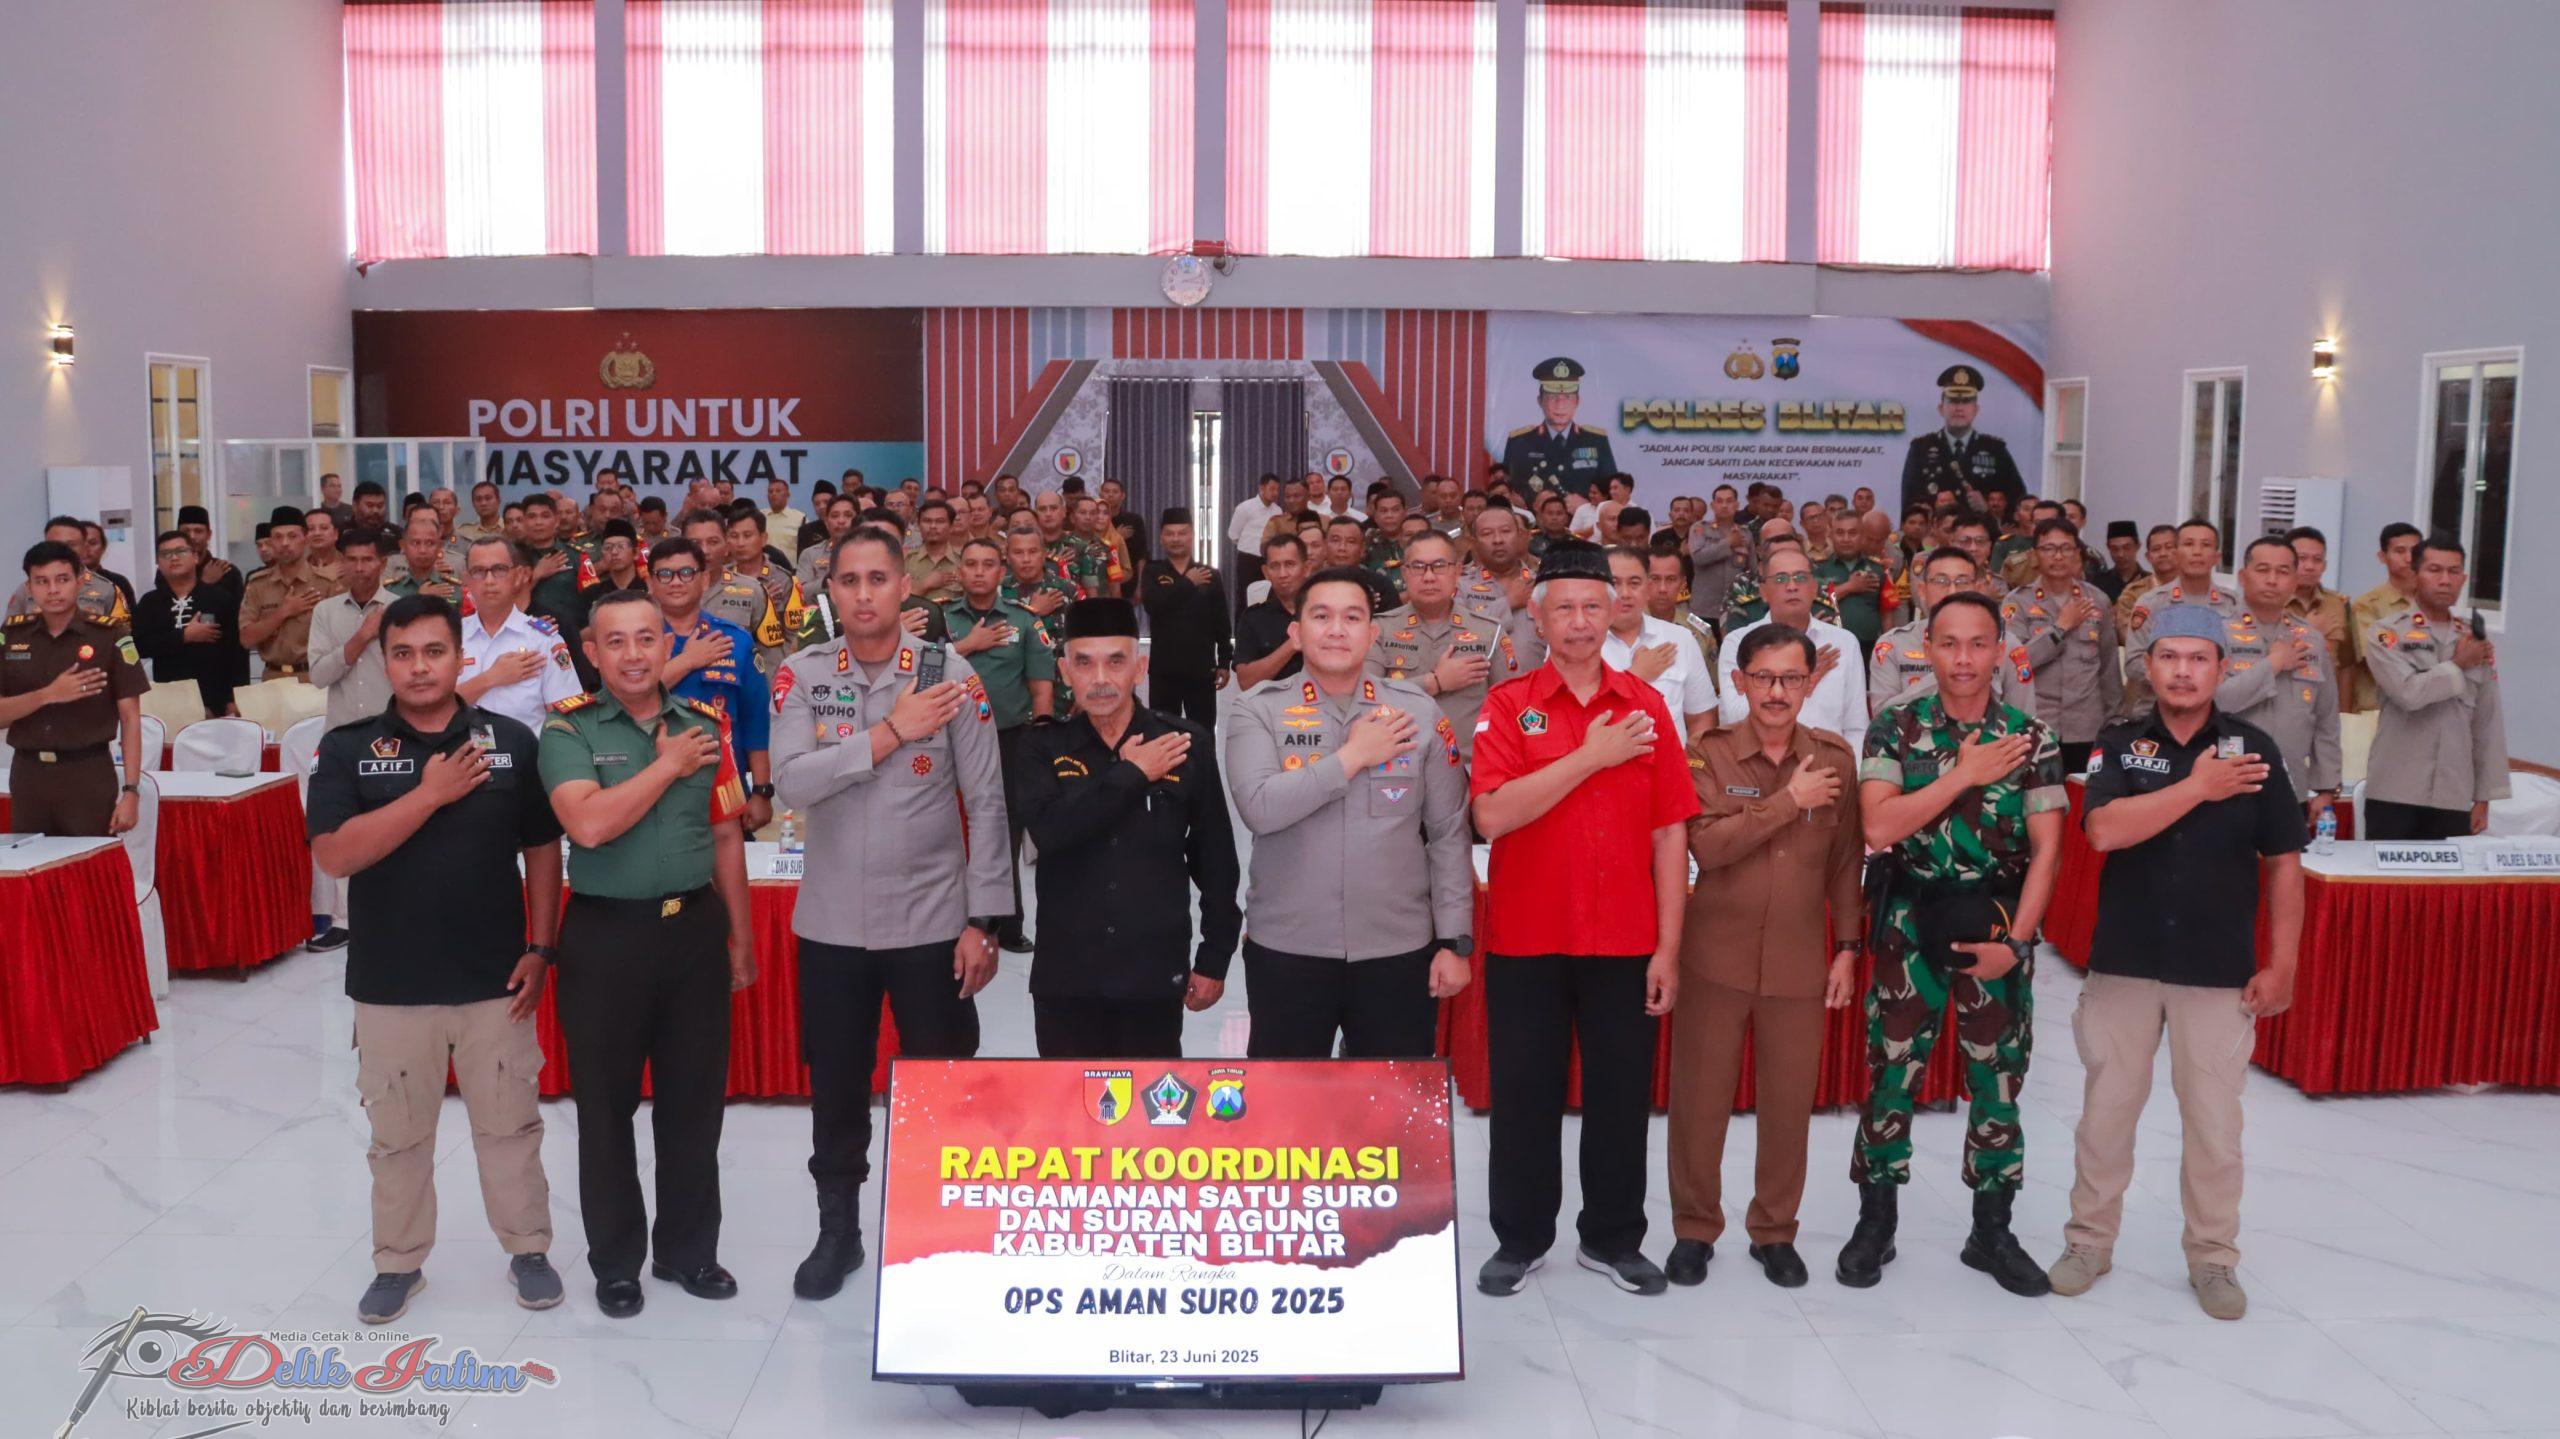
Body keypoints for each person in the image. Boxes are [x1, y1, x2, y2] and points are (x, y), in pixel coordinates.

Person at [304, 594, 566, 1324]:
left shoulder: (510, 740)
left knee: (510, 1126)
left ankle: (528, 1248)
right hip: (391, 983)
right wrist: (428, 796)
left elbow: (542, 848)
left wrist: (542, 946)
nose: (419, 667)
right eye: (403, 653)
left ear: (459, 657)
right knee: (398, 1137)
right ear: (385, 661)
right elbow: (335, 854)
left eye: (434, 651)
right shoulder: (348, 747)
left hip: (495, 979)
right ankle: (398, 1262)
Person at [769, 527, 1010, 1301]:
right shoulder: (804, 673)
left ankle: (942, 1231)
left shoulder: (950, 674)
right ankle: (837, 1232)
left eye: (879, 578)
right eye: (849, 580)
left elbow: (987, 801)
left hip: (932, 922)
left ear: (906, 587)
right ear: (831, 591)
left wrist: (985, 921)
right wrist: (888, 733)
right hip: (833, 924)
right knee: (838, 1088)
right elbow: (793, 783)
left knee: (941, 1081)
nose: (864, 593)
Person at [2056, 604, 2307, 1321]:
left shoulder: (2255, 751)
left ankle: (2213, 1257)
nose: (2184, 671)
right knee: (2105, 1117)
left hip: (2217, 967)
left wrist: (2282, 963)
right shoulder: (2119, 743)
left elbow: (2284, 864)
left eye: (2199, 658)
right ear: (2149, 666)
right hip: (2125, 962)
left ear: (2223, 668)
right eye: (2170, 657)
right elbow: (2104, 831)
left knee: (2215, 1128)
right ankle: (2088, 1243)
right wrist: (2197, 786)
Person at [1468, 541, 1697, 1299]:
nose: (1578, 621)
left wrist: (1668, 947)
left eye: (1592, 606)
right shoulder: (1509, 704)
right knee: (1523, 1095)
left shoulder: (1645, 706)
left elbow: (1670, 832)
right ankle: (1521, 1237)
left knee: (1621, 1098)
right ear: (1538, 618)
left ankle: (1612, 1238)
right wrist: (1592, 757)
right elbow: (1492, 815)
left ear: (1615, 611)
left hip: (1626, 937)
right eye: (1563, 607)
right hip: (1528, 936)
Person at [1840, 592, 2064, 1297]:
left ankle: (1991, 1231)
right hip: (1909, 920)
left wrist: (2018, 946)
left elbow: (2048, 851)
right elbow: (1879, 828)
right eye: (1949, 643)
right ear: (1927, 649)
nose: (1963, 659)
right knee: (1891, 1073)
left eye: (1978, 643)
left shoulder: (2031, 737)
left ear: (2000, 651)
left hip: (1996, 922)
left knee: (1998, 1078)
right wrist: (1964, 772)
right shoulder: (1895, 727)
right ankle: (1876, 1221)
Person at [539, 589, 756, 1318]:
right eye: (615, 641)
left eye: (645, 638)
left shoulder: (705, 724)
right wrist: (666, 766)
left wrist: (740, 937)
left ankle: (688, 1251)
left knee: (694, 1105)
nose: (633, 654)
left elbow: (725, 834)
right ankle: (616, 1263)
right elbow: (589, 825)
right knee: (606, 1111)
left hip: (693, 932)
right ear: (591, 653)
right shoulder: (567, 729)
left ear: (667, 646)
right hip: (606, 938)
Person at [1666, 624, 1864, 1290]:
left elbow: (1846, 860)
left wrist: (1847, 948)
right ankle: (1694, 1229)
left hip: (1799, 960)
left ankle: (1775, 1231)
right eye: (1764, 677)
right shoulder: (1708, 754)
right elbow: (1708, 844)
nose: (1777, 692)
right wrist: (1788, 803)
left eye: (1791, 678)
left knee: (1788, 1106)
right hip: (1714, 958)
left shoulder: (1835, 759)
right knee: (1699, 1104)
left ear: (1810, 683)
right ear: (1739, 681)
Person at [1228, 566, 1472, 1058]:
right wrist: (1353, 757)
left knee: (1391, 1100)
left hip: (1397, 949)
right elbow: (1260, 808)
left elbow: (1448, 832)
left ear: (1373, 633)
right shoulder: (1258, 709)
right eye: (1321, 617)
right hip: (1289, 947)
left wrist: (1453, 941)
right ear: (1296, 632)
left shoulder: (1417, 712)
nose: (1337, 630)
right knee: (1289, 1100)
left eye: (1352, 617)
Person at [1013, 598, 1241, 1059]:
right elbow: (1050, 832)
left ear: (1140, 668)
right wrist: (1132, 774)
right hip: (1067, 977)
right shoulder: (1041, 747)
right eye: (1084, 663)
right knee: (1066, 1103)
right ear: (1065, 672)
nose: (1100, 678)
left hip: (1153, 973)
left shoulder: (1182, 744)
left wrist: (1214, 957)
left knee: (1152, 1104)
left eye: (1115, 662)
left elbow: (1215, 859)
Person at [943, 535, 1056, 951]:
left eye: (987, 564)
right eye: (970, 564)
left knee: (1004, 830)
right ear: (959, 571)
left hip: (1010, 740)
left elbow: (1041, 687)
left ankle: (1006, 924)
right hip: (947, 738)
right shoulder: (941, 617)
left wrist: (1041, 742)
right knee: (947, 826)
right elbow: (922, 672)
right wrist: (966, 647)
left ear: (1001, 572)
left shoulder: (1024, 622)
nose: (978, 572)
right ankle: (950, 918)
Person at [2364, 536, 2508, 839]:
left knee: (2447, 871)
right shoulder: (2386, 633)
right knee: (2389, 871)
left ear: (2463, 579)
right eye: (2434, 570)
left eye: (2454, 572)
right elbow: (2408, 694)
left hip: (2453, 792)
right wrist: (2458, 664)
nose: (2445, 580)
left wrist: (2484, 797)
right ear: (2415, 575)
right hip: (2396, 790)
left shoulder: (2474, 639)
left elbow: (2487, 721)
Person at [0, 540, 147, 835]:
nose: (53, 590)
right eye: (42, 581)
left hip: (87, 772)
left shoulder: (109, 635)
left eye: (62, 579)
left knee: (88, 861)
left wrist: (131, 791)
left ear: (80, 582)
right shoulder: (12, 635)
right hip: (29, 774)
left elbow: (130, 718)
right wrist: (47, 695)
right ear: (29, 587)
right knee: (31, 861)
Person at [647, 537, 774, 831]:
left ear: (704, 580)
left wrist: (762, 790)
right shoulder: (636, 641)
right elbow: (625, 699)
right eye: (664, 574)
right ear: (651, 583)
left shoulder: (734, 641)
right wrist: (688, 661)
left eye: (686, 573)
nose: (675, 582)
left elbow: (756, 722)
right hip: (650, 787)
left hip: (723, 788)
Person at [1369, 531, 1525, 760]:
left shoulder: (1489, 631)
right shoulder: (1378, 630)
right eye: (1418, 567)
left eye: (1439, 566)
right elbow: (1367, 702)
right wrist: (1434, 682)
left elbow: (1513, 705)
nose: (1429, 576)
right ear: (1404, 573)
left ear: (1457, 571)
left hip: (1472, 766)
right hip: (1400, 765)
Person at [2220, 537, 2343, 818]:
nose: (2272, 580)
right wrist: (2273, 664)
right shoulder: (2216, 630)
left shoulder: (2310, 639)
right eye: (2262, 570)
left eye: (2283, 571)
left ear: (2295, 580)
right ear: (2242, 576)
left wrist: (2326, 787)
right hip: (2227, 785)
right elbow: (2215, 702)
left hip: (2291, 786)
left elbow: (2326, 719)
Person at [2001, 517, 2123, 772]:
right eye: (2049, 548)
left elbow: (2109, 668)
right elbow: (2016, 664)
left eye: (2066, 548)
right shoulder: (2017, 603)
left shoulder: (2097, 600)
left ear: (2078, 554)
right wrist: (2060, 628)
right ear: (2035, 555)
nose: (2058, 556)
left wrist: (2114, 721)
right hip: (2036, 725)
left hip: (2087, 727)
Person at [1718, 548, 1867, 756]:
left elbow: (1856, 727)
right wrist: (1800, 680)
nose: (1792, 586)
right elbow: (1733, 717)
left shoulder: (1844, 643)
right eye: (1781, 579)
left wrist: (1850, 771)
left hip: (1829, 766)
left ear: (1814, 588)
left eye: (1800, 577)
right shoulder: (1738, 642)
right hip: (1758, 766)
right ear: (1763, 592)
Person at [1868, 546, 2029, 718]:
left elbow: (2023, 722)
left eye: (1962, 581)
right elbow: (1881, 718)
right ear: (1922, 590)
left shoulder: (2006, 645)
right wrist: (1942, 677)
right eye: (1941, 581)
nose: (1952, 591)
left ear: (1978, 588)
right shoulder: (1893, 645)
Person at [455, 538, 584, 736]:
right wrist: (491, 678)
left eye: (499, 569)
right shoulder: (451, 638)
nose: (489, 581)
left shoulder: (543, 640)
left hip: (529, 753)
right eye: (478, 571)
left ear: (518, 576)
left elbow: (567, 715)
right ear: (466, 579)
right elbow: (430, 709)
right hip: (462, 752)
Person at [236, 505, 341, 726]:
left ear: (306, 539)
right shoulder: (258, 585)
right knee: (272, 743)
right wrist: (283, 612)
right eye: (278, 537)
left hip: (313, 682)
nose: (285, 543)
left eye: (292, 536)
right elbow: (246, 638)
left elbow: (339, 641)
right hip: (272, 681)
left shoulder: (326, 584)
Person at [1601, 546, 1719, 740]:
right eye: (1614, 583)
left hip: (1673, 758)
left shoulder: (1681, 639)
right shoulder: (1576, 644)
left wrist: (1688, 759)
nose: (1625, 593)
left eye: (1634, 583)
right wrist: (1635, 678)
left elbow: (1702, 717)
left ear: (1647, 587)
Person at [1135, 508, 1232, 731]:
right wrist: (1187, 583)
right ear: (1161, 538)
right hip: (1164, 670)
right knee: (1162, 733)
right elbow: (1153, 605)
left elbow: (1221, 621)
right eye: (1170, 534)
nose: (1176, 539)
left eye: (1182, 533)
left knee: (1202, 732)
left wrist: (1224, 662)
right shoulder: (1152, 571)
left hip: (1201, 669)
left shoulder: (1209, 574)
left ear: (1192, 536)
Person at [133, 529, 240, 718]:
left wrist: (234, 698)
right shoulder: (150, 602)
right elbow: (139, 646)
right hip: (168, 699)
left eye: (181, 551)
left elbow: (235, 650)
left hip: (214, 699)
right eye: (166, 554)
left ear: (195, 557)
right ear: (158, 562)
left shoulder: (219, 598)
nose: (174, 558)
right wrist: (184, 636)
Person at [1900, 366, 2024, 516]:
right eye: (1953, 401)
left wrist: (1987, 510)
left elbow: (2018, 503)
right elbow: (1909, 506)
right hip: (1937, 529)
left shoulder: (1995, 450)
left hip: (1981, 529)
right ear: (1941, 408)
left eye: (1966, 402)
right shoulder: (1921, 449)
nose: (1959, 408)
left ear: (1976, 409)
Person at [308, 527, 396, 729]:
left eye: (367, 560)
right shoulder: (325, 611)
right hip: (341, 730)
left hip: (390, 729)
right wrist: (362, 636)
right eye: (352, 560)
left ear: (382, 564)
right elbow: (319, 677)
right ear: (342, 562)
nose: (359, 568)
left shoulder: (399, 609)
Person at [1501, 357, 1617, 500]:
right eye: (1552, 397)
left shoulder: (1597, 441)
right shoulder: (1519, 442)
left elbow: (1612, 493)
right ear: (1540, 401)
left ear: (1577, 401)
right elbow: (1505, 491)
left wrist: (1586, 506)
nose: (1560, 405)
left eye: (1567, 397)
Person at [2283, 525, 2360, 713]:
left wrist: (2343, 714)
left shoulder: (2339, 604)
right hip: (2282, 702)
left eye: (2317, 560)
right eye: (2302, 558)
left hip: (2324, 706)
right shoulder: (2271, 602)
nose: (2310, 566)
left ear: (2324, 565)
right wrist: (2309, 631)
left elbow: (2347, 666)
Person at [2351, 521, 2424, 714]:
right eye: (2400, 551)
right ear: (2382, 557)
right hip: (2379, 710)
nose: (2409, 558)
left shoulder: (2432, 604)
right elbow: (2382, 654)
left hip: (2425, 710)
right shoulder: (2367, 606)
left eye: (2415, 551)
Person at [1233, 532, 1311, 688]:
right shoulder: (1253, 618)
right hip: (1269, 702)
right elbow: (1246, 682)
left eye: (1290, 564)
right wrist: (1291, 645)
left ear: (1306, 568)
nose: (1282, 574)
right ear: (1266, 572)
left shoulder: (1325, 614)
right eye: (1275, 566)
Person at [1686, 488, 1750, 627]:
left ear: (1737, 505)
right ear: (1712, 505)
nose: (1724, 505)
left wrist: (1747, 603)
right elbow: (1698, 558)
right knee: (1700, 641)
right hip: (1702, 609)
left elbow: (1752, 572)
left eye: (1729, 501)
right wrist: (1728, 543)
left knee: (1732, 641)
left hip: (1735, 609)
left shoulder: (1745, 533)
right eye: (1719, 501)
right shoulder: (1699, 529)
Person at [2113, 523, 2177, 636]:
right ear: (2148, 557)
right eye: (2156, 549)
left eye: (2169, 547)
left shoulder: (2194, 588)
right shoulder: (2133, 593)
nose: (2163, 554)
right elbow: (2127, 635)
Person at [384, 512, 461, 600]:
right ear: (403, 546)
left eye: (430, 543)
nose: (422, 550)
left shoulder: (455, 589)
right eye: (416, 543)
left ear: (439, 546)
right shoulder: (390, 590)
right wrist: (419, 597)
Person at [2095, 519, 2142, 604]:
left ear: (2137, 546)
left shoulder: (2150, 581)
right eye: (2115, 549)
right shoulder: (2097, 583)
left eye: (2126, 548)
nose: (2121, 554)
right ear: (2108, 547)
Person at [763, 478, 806, 552]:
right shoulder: (759, 516)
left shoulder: (800, 518)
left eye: (778, 491)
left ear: (788, 494)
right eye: (770, 491)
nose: (773, 494)